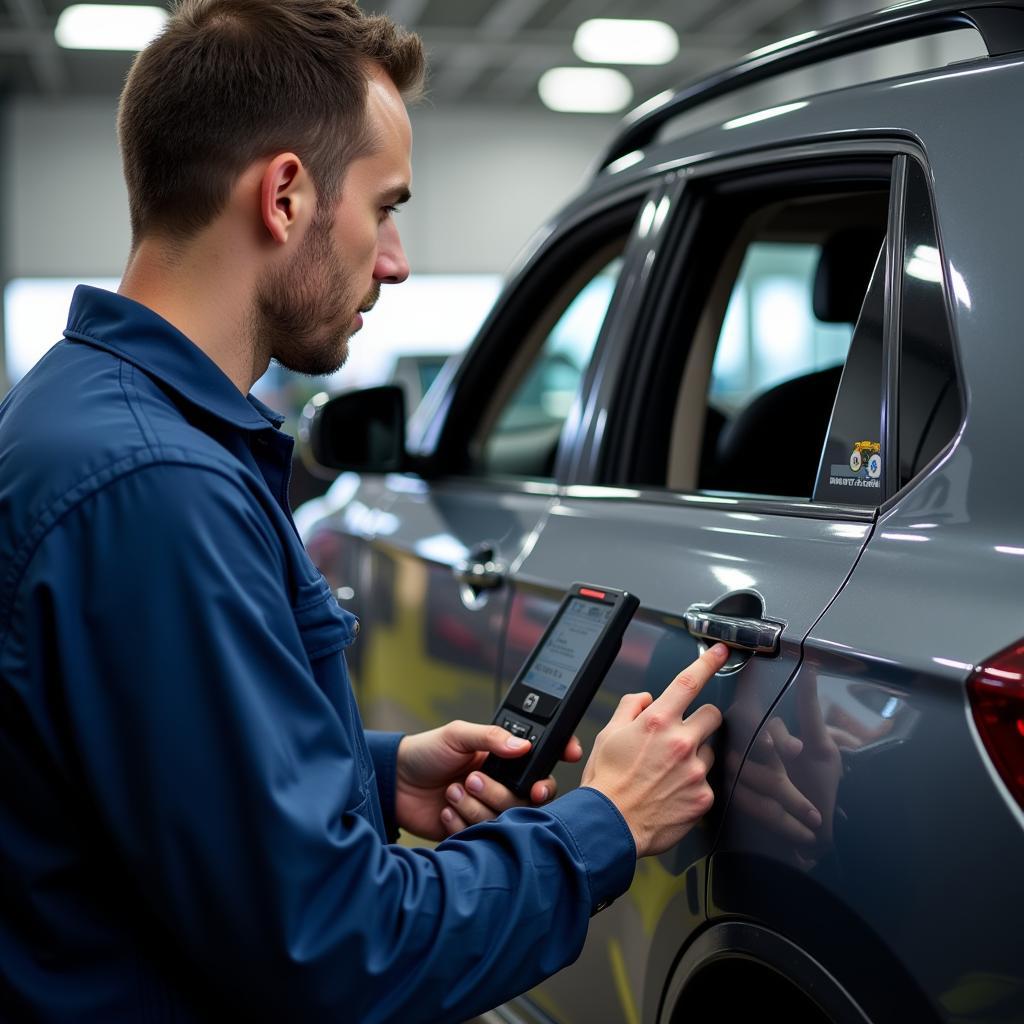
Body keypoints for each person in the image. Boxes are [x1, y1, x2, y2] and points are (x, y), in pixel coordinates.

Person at [0, 2, 728, 1021]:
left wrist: (372, 774)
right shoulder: (155, 488)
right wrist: (604, 821)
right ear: (287, 196)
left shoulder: (89, 416)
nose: (395, 260)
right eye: (385, 208)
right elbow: (336, 951)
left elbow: (151, 785)